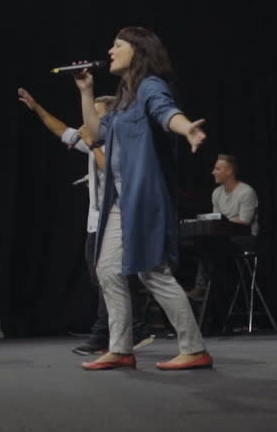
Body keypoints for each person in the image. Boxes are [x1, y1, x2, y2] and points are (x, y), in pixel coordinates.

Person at [75, 27, 214, 371]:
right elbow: (96, 132)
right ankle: (121, 348)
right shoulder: (124, 97)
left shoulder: (151, 87)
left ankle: (194, 348)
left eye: (117, 45)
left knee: (152, 272)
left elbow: (167, 113)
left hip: (145, 197)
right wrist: (86, 91)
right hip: (121, 200)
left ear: (138, 51)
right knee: (107, 268)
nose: (110, 51)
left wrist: (187, 129)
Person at [17, 88, 155, 355]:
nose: (89, 118)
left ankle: (107, 333)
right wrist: (37, 108)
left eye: (97, 114)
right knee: (99, 278)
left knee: (111, 276)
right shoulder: (95, 142)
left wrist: (92, 142)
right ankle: (131, 326)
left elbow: (112, 170)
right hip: (96, 222)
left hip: (118, 220)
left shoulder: (119, 143)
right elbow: (61, 131)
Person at [189, 154, 260, 300]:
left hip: (246, 238)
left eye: (217, 169)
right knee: (204, 244)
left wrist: (226, 222)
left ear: (229, 171)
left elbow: (245, 222)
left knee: (214, 246)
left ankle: (212, 288)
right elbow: (216, 221)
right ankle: (208, 288)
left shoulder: (246, 192)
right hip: (226, 236)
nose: (213, 172)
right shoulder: (216, 193)